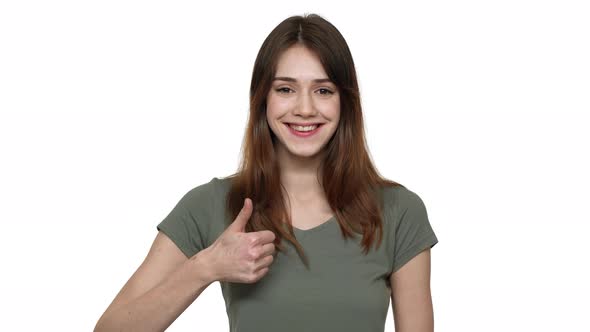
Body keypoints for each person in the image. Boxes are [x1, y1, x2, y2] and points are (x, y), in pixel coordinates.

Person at [94, 13, 439, 332]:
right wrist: (205, 268)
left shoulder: (398, 211)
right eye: (285, 89)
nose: (304, 109)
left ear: (344, 102)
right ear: (263, 99)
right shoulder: (212, 205)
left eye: (323, 90)